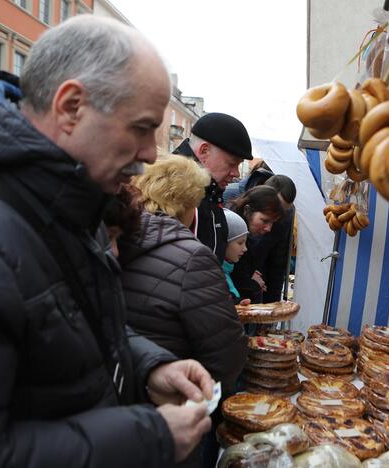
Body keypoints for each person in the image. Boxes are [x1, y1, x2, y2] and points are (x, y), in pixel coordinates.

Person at [0, 16, 215, 467]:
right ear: (71, 106)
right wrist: (148, 439)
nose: (151, 155)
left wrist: (148, 367)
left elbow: (68, 322)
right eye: (141, 127)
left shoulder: (72, 199)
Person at [118, 155, 248, 467]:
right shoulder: (192, 257)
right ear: (187, 205)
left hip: (119, 411)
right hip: (174, 414)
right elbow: (227, 355)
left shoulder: (116, 239)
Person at [173, 112, 254, 263]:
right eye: (231, 163)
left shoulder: (210, 191)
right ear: (204, 150)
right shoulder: (172, 191)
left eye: (238, 165)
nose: (236, 173)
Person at [228, 186, 284, 303]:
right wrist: (251, 284)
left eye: (272, 222)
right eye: (264, 220)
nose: (269, 228)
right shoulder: (229, 230)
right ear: (247, 211)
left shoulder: (251, 238)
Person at [222, 208, 250, 303]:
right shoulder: (218, 277)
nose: (245, 248)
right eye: (240, 243)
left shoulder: (227, 271)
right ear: (224, 243)